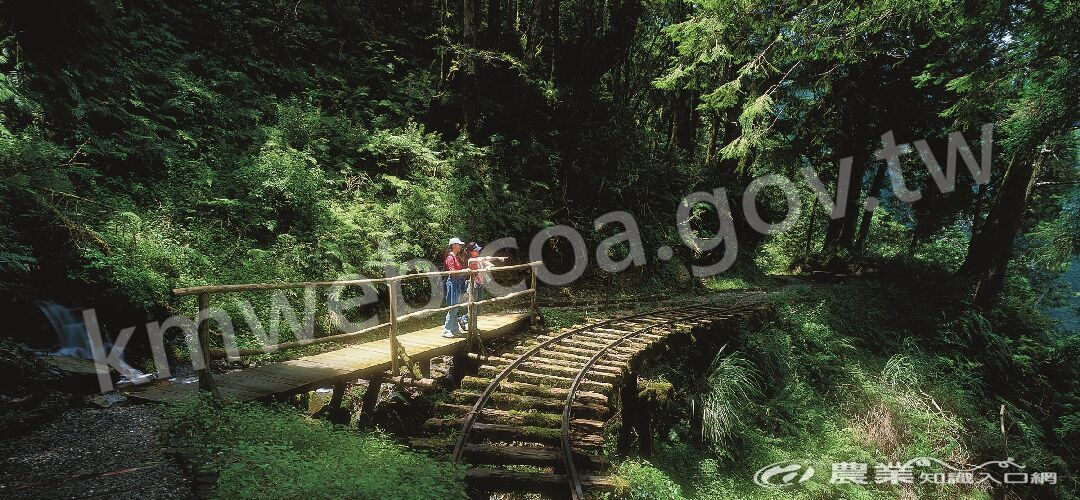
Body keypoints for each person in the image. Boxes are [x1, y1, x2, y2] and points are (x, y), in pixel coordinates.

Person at [458, 242, 508, 331]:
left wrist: (491, 265)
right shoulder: (471, 260)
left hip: (480, 284)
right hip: (473, 284)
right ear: (471, 252)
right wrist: (495, 259)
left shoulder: (478, 259)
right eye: (476, 250)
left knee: (478, 307)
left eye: (478, 250)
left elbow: (489, 263)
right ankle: (471, 325)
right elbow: (484, 259)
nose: (478, 251)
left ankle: (465, 320)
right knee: (473, 306)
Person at [442, 237, 467, 338]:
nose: (460, 246)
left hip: (457, 283)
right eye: (459, 245)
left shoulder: (455, 257)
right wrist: (463, 271)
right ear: (453, 246)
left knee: (456, 306)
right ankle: (446, 330)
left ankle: (455, 329)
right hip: (452, 282)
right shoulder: (450, 257)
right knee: (453, 306)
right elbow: (452, 272)